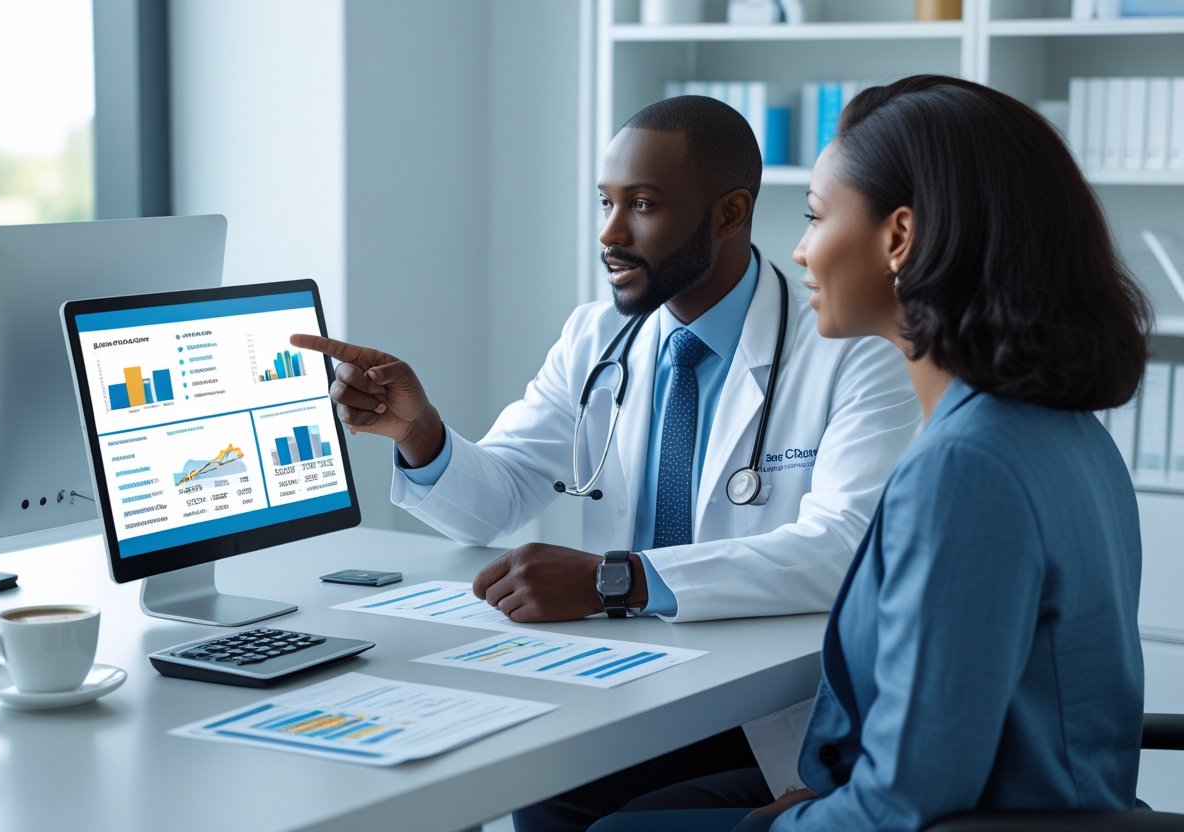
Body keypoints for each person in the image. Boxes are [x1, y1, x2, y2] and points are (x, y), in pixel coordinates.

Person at [292, 95, 920, 832]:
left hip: (759, 718)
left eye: (643, 205)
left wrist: (612, 581)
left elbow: (845, 548)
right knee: (519, 790)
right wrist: (421, 434)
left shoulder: (853, 350)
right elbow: (494, 501)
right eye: (606, 202)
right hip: (619, 686)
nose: (610, 234)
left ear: (729, 213)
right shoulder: (596, 338)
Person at [588, 74, 1151, 832]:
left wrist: (779, 825)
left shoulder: (967, 468)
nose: (799, 249)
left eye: (817, 217)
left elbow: (901, 802)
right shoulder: (1064, 430)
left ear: (900, 238)